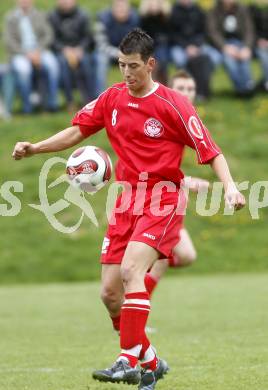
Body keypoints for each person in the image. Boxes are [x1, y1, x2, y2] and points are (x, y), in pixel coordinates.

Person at [12, 29, 245, 390]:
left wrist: (229, 187)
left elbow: (211, 151)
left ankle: (127, 360)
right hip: (125, 201)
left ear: (150, 65)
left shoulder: (173, 105)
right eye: (121, 65)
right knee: (109, 293)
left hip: (162, 200)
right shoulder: (112, 98)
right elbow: (77, 131)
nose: (126, 73)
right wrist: (35, 148)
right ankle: (150, 362)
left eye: (133, 66)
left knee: (132, 269)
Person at [144, 70, 210, 298]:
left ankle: (135, 276)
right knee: (163, 255)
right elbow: (150, 162)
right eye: (181, 88)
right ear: (169, 90)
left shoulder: (185, 119)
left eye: (191, 89)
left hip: (167, 201)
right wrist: (186, 181)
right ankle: (132, 309)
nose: (187, 93)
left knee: (186, 255)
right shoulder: (159, 116)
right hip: (146, 200)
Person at [3, 0, 59, 113]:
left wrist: (38, 51)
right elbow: (9, 41)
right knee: (24, 70)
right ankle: (27, 106)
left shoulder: (40, 15)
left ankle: (52, 103)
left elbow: (48, 35)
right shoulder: (10, 18)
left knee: (53, 65)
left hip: (40, 51)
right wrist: (26, 53)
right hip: (19, 53)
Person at [168, 0, 221, 99]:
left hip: (198, 45)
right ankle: (188, 88)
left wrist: (196, 46)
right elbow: (172, 34)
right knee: (180, 60)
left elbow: (203, 32)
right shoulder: (173, 12)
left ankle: (203, 86)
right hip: (179, 45)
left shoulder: (199, 10)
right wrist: (186, 47)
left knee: (215, 57)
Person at [48, 0, 96, 110]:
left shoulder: (83, 15)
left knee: (86, 63)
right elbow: (52, 39)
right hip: (62, 52)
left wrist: (81, 49)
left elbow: (88, 37)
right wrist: (64, 49)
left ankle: (89, 100)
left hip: (81, 50)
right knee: (63, 64)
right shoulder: (52, 16)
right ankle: (70, 101)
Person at [207, 0, 255, 97]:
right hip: (224, 43)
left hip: (240, 42)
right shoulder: (214, 10)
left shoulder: (242, 9)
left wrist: (247, 47)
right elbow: (212, 32)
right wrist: (224, 47)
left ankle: (248, 87)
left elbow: (249, 30)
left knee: (244, 62)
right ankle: (241, 90)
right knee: (230, 63)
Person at [94, 0, 140, 95]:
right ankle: (101, 96)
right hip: (108, 53)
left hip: (129, 53)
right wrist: (119, 53)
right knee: (100, 60)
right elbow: (101, 45)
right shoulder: (102, 19)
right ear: (112, 8)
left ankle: (137, 94)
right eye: (118, 6)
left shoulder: (136, 19)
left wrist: (128, 53)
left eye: (124, 7)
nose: (121, 9)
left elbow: (139, 41)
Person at [139, 0, 171, 85]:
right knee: (149, 60)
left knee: (162, 59)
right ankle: (151, 83)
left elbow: (168, 34)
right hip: (148, 45)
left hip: (162, 45)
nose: (154, 5)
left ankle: (163, 83)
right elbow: (142, 34)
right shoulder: (144, 18)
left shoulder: (164, 17)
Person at [249, 1, 268, 92]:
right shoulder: (251, 9)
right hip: (256, 43)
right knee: (263, 54)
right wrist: (258, 40)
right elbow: (249, 29)